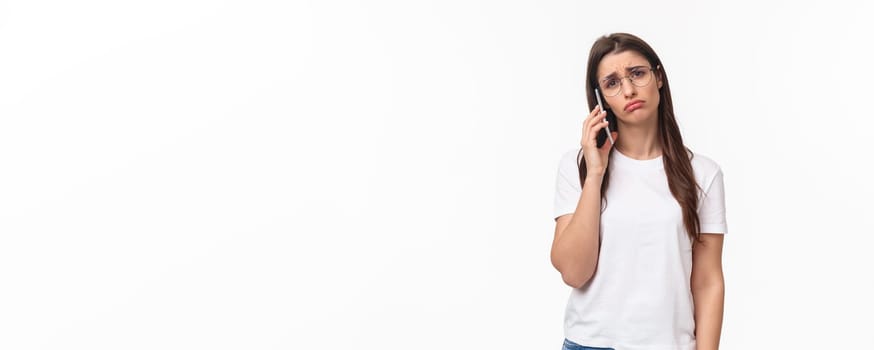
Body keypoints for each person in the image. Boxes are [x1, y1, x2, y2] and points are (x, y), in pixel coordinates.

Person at [551, 33, 728, 350]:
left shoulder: (703, 173)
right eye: (612, 83)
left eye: (637, 73)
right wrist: (595, 173)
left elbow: (707, 281)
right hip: (591, 343)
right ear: (601, 97)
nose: (629, 90)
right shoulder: (578, 167)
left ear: (658, 77)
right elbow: (574, 272)